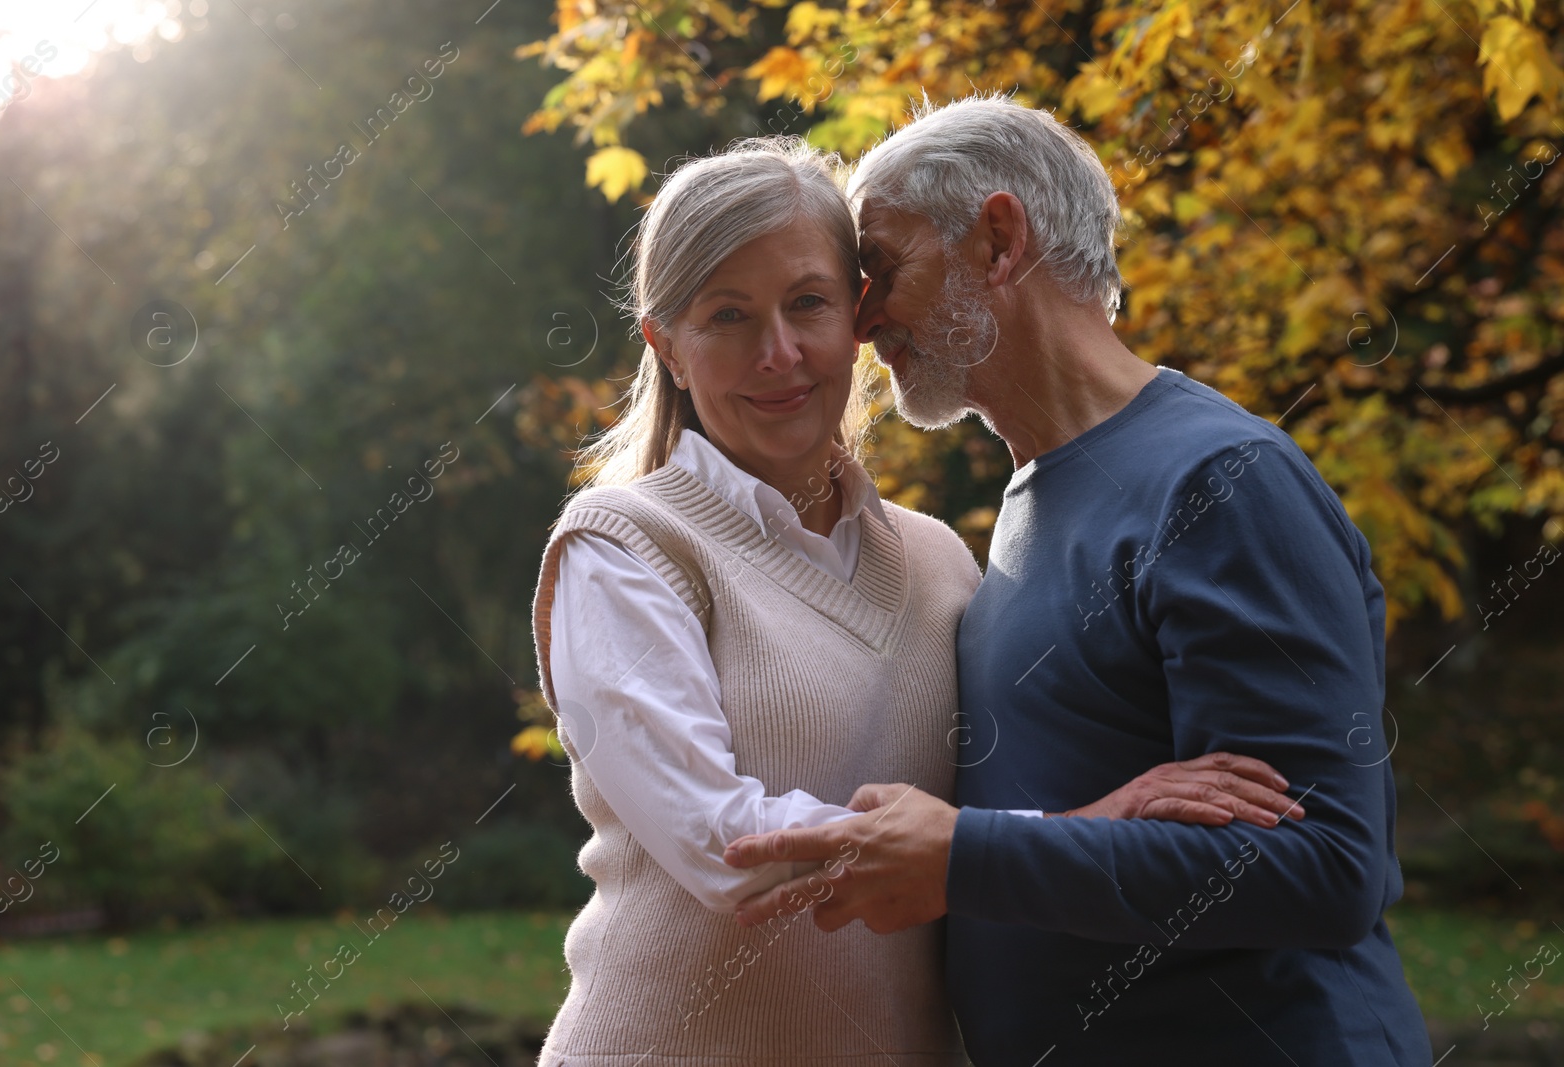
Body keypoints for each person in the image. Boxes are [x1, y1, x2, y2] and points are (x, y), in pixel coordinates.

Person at [530, 137, 1300, 1066]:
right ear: (668, 349)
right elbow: (719, 845)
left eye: (808, 303)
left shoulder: (940, 558)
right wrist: (1079, 831)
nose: (779, 353)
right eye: (727, 316)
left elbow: (996, 805)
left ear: (858, 318)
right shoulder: (624, 546)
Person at [724, 97, 1433, 1065]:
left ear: (1000, 240)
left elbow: (1325, 865)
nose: (860, 315)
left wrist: (963, 856)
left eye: (881, 266)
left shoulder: (1220, 479)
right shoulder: (1025, 506)